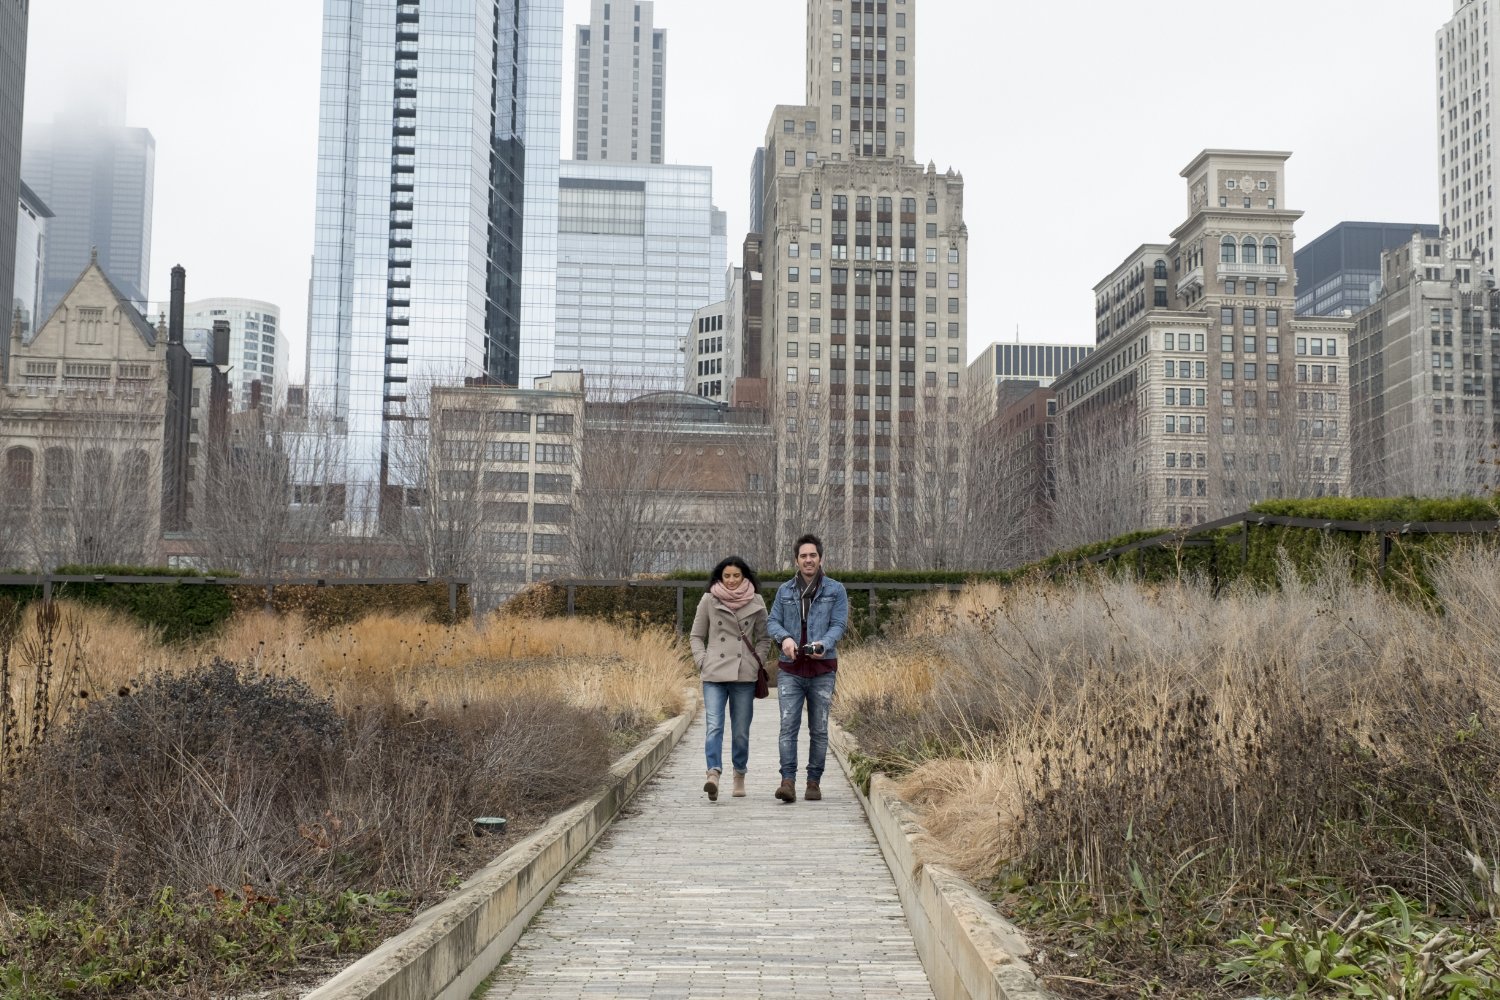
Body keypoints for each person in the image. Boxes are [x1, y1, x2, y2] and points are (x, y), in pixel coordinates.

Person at [765, 534, 848, 803]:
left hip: (823, 668)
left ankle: (814, 782)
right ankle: (787, 781)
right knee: (788, 726)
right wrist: (785, 638)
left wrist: (824, 643)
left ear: (820, 558)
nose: (808, 560)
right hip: (790, 669)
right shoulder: (784, 590)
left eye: (812, 555)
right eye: (803, 556)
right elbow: (772, 622)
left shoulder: (835, 590)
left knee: (819, 729)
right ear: (796, 560)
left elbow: (838, 624)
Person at [689, 555, 771, 801]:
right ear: (720, 577)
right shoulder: (708, 600)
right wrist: (703, 661)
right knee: (714, 725)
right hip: (714, 672)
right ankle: (713, 773)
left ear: (744, 576)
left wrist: (757, 662)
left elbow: (765, 638)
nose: (732, 580)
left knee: (740, 731)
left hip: (743, 674)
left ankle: (739, 774)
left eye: (736, 575)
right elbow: (695, 636)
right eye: (727, 576)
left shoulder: (756, 600)